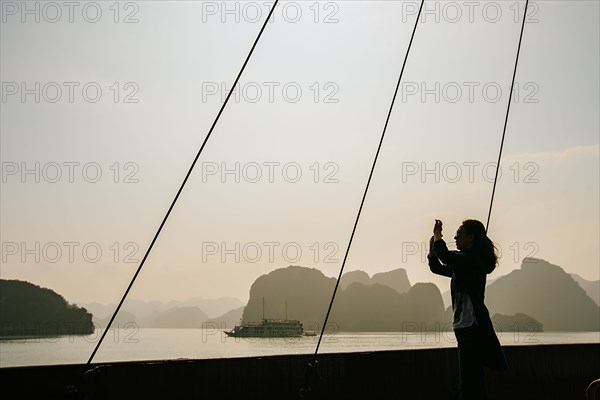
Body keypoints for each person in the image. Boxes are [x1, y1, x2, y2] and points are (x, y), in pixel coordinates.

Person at [427, 219, 507, 400]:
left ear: (471, 238)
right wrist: (433, 246)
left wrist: (438, 235)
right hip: (464, 326)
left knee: (469, 379)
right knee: (473, 376)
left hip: (472, 326)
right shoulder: (464, 263)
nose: (455, 237)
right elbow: (437, 267)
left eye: (460, 233)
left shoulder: (472, 261)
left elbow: (445, 256)